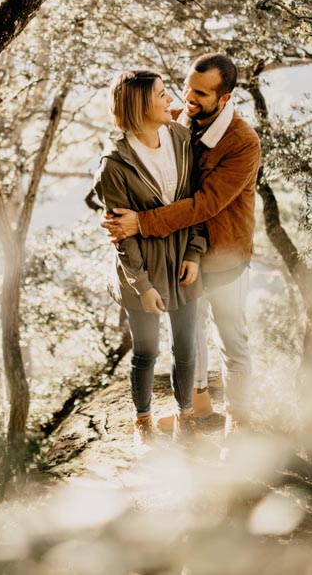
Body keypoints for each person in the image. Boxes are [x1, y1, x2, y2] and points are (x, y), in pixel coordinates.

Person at [102, 53, 260, 438]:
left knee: (230, 339)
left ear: (223, 98)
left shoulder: (242, 142)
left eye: (200, 93)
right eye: (187, 86)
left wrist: (140, 223)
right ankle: (199, 409)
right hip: (180, 256)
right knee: (192, 339)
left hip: (222, 255)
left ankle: (238, 422)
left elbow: (203, 203)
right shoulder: (183, 124)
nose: (186, 97)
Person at [93, 69, 208, 446]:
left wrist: (194, 253)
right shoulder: (115, 163)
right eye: (161, 95)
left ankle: (184, 417)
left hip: (182, 265)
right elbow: (121, 236)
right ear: (141, 105)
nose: (169, 99)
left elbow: (195, 202)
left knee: (186, 347)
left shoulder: (179, 137)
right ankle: (143, 422)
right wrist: (141, 286)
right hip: (139, 270)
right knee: (146, 352)